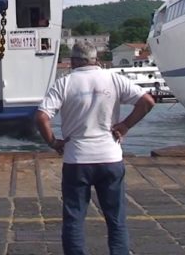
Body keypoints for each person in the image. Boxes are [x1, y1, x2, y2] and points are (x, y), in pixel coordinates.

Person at [35, 42, 155, 255]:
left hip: (77, 160)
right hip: (109, 157)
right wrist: (125, 125)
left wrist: (54, 143)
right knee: (116, 219)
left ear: (73, 61)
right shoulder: (113, 79)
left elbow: (42, 117)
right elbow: (147, 101)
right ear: (95, 59)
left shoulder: (64, 83)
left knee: (74, 218)